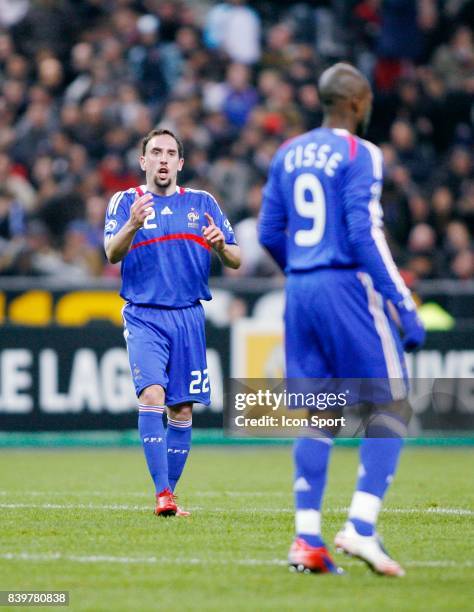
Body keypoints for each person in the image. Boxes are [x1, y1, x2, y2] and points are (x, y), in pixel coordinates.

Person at [259, 63, 425, 576]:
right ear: (357, 102)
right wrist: (402, 301)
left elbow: (269, 231)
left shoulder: (286, 154)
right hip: (344, 287)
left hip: (300, 288)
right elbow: (362, 232)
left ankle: (307, 538)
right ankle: (361, 526)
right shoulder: (361, 153)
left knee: (321, 416)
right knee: (391, 403)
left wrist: (302, 274)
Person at [104, 128, 240, 516]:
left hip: (189, 317)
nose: (163, 159)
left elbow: (236, 258)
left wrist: (219, 247)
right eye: (155, 153)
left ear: (180, 163)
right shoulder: (125, 202)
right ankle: (162, 493)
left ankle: (170, 496)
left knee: (181, 410)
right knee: (152, 396)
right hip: (144, 315)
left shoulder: (202, 202)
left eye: (170, 154)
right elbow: (111, 253)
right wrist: (131, 224)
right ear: (143, 161)